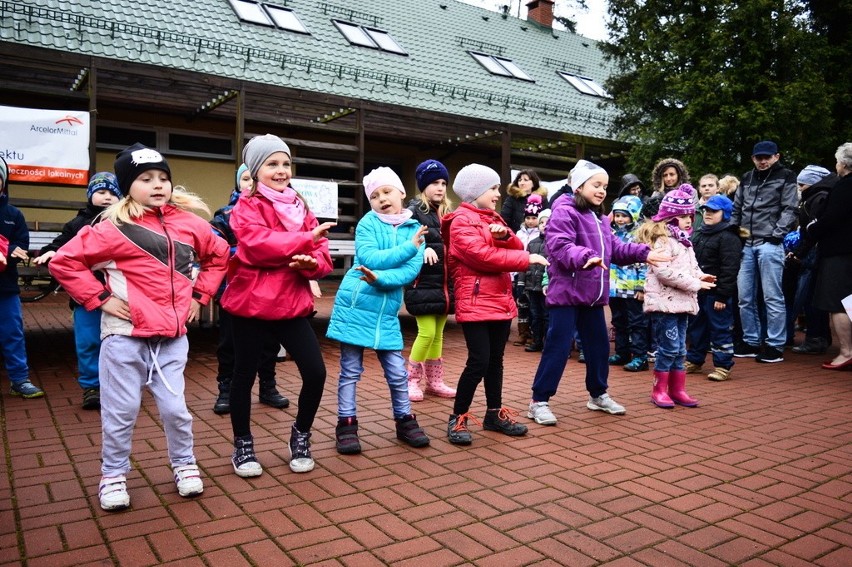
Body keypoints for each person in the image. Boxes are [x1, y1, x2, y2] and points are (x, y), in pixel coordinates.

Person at [49, 144, 229, 511]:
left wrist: (199, 297)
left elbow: (220, 255)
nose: (157, 185)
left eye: (163, 178)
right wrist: (99, 299)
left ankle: (185, 465)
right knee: (121, 412)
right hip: (123, 337)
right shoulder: (112, 227)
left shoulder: (190, 224)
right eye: (146, 179)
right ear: (128, 185)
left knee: (176, 410)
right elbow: (65, 261)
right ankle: (113, 476)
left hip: (172, 339)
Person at [220, 134, 334, 477]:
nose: (281, 170)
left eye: (285, 163)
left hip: (291, 304)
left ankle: (300, 435)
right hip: (250, 305)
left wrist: (310, 265)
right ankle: (243, 444)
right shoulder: (246, 206)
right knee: (243, 376)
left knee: (316, 372)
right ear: (255, 172)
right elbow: (256, 246)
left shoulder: (301, 208)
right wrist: (303, 241)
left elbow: (323, 256)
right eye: (272, 164)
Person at [527, 160, 670, 426]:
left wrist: (646, 253)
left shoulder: (602, 219)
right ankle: (538, 401)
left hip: (593, 297)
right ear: (579, 186)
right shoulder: (563, 212)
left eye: (605, 186)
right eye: (596, 185)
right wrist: (587, 257)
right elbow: (559, 246)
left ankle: (598, 395)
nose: (602, 190)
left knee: (598, 347)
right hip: (567, 295)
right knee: (557, 349)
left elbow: (616, 249)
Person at [441, 163, 549, 444]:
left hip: (499, 300)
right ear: (475, 191)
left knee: (496, 362)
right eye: (493, 188)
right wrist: (526, 261)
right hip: (475, 302)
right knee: (478, 361)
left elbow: (514, 247)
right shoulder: (461, 221)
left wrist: (506, 236)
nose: (498, 194)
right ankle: (458, 417)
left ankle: (493, 413)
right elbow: (481, 256)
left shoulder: (493, 218)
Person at [327, 167, 430, 454]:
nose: (382, 199)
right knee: (350, 370)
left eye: (387, 192)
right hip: (356, 306)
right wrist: (408, 249)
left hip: (386, 313)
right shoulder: (367, 224)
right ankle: (346, 424)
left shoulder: (415, 230)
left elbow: (410, 272)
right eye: (374, 195)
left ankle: (405, 420)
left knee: (397, 372)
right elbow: (369, 256)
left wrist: (381, 278)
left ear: (401, 193)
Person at [32, 172, 122, 409]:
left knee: (120, 343)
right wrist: (51, 251)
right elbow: (61, 244)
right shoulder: (77, 223)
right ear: (90, 195)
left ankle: (120, 385)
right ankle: (92, 386)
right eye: (101, 192)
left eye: (113, 193)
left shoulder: (125, 220)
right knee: (89, 341)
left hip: (121, 295)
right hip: (86, 296)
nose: (107, 197)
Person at [210, 164, 289, 415]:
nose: (249, 184)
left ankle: (268, 385)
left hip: (271, 291)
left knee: (269, 341)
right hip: (234, 289)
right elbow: (214, 249)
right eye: (244, 179)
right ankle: (226, 388)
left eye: (252, 178)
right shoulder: (225, 214)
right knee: (229, 342)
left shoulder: (284, 211)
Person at [637, 184, 715, 407]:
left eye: (690, 215)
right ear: (670, 218)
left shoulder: (684, 241)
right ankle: (659, 389)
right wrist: (695, 283)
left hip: (682, 303)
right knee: (668, 347)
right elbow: (664, 272)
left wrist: (702, 275)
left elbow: (692, 266)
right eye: (682, 216)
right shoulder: (664, 241)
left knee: (680, 348)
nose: (689, 220)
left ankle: (677, 388)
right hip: (665, 304)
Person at [731, 140, 798, 363]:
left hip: (770, 243)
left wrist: (776, 235)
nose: (762, 161)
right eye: (758, 157)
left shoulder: (787, 175)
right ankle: (751, 341)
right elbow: (737, 209)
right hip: (747, 244)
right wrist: (738, 236)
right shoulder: (746, 177)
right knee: (744, 297)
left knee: (772, 295)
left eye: (766, 157)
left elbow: (790, 208)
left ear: (776, 157)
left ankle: (775, 345)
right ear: (753, 158)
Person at [404, 159, 456, 401]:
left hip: (444, 285)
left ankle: (435, 381)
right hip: (423, 284)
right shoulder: (413, 211)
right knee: (425, 333)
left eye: (444, 183)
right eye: (435, 182)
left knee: (438, 335)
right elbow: (403, 240)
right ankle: (411, 381)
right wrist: (419, 249)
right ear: (423, 185)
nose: (440, 187)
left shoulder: (447, 213)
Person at [685, 195, 743, 381]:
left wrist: (722, 296)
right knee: (696, 327)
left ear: (724, 214)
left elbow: (730, 269)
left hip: (717, 294)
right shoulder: (699, 233)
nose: (708, 214)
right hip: (698, 291)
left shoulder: (729, 237)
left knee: (720, 329)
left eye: (713, 211)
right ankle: (694, 360)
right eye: (706, 210)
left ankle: (723, 365)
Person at [0, 156, 43, 399]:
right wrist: (5, 251)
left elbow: (20, 247)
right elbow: (10, 250)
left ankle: (19, 380)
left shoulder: (13, 214)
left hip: (6, 289)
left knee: (12, 334)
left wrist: (8, 253)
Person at [807, 142, 852, 370]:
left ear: (843, 163)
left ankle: (846, 352)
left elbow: (831, 219)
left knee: (838, 303)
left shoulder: (844, 187)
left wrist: (812, 229)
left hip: (839, 252)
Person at [788, 165, 835, 354]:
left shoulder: (818, 199)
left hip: (814, 254)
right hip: (816, 252)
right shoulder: (820, 197)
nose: (799, 188)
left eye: (802, 184)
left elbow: (812, 232)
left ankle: (816, 338)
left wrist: (799, 253)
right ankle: (820, 337)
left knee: (810, 297)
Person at [607, 195, 649, 372]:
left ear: (633, 215)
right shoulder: (612, 234)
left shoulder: (638, 235)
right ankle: (622, 352)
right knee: (618, 321)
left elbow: (644, 263)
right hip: (614, 288)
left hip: (632, 288)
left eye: (624, 215)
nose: (620, 219)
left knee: (637, 323)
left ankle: (640, 356)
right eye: (617, 215)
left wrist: (641, 286)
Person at [512, 194, 543, 347]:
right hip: (520, 272)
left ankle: (533, 333)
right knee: (522, 303)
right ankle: (523, 333)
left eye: (534, 218)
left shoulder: (541, 234)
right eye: (528, 217)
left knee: (534, 306)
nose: (531, 221)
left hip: (534, 274)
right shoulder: (519, 233)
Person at [522, 208, 551, 352]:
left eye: (548, 222)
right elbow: (524, 262)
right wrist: (522, 282)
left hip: (546, 287)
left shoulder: (554, 242)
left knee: (547, 316)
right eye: (541, 222)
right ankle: (537, 340)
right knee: (535, 315)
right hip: (532, 285)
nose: (544, 225)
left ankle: (548, 343)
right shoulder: (532, 243)